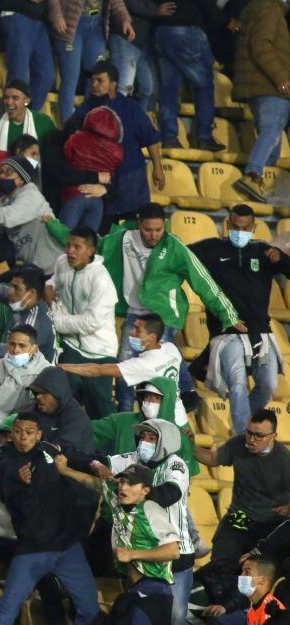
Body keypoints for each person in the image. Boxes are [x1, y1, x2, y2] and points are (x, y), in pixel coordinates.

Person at [100, 203, 241, 414]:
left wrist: (228, 315)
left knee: (157, 355)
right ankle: (127, 410)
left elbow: (202, 280)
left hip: (165, 313)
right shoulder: (123, 239)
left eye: (158, 229)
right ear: (139, 224)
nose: (154, 235)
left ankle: (179, 397)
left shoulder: (173, 246)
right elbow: (90, 245)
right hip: (135, 312)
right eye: (148, 230)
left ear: (164, 225)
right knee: (125, 360)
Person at [0, 413, 100, 625]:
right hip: (33, 550)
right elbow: (8, 488)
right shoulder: (6, 462)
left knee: (90, 608)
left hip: (67, 547)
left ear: (38, 435)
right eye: (18, 432)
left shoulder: (48, 449)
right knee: (6, 612)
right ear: (11, 434)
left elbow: (75, 456)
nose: (23, 437)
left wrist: (95, 463)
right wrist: (22, 483)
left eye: (29, 433)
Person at [189, 205, 290, 434]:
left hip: (260, 332)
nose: (240, 231)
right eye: (235, 227)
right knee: (237, 384)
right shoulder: (211, 248)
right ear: (227, 224)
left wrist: (282, 259)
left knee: (269, 386)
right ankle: (242, 435)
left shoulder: (264, 251)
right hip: (227, 332)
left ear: (253, 227)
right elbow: (180, 256)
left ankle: (243, 426)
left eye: (246, 228)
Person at [0, 415, 67, 625]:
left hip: (23, 535)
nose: (13, 441)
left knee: (47, 579)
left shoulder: (41, 459)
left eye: (22, 435)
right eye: (8, 436)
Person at [55, 459, 179, 625]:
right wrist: (65, 471)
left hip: (154, 591)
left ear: (145, 490)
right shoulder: (117, 499)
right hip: (134, 588)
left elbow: (173, 551)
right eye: (122, 481)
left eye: (131, 484)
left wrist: (132, 554)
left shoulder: (151, 510)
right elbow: (94, 483)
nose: (123, 487)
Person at [102, 419, 195, 625]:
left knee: (175, 618)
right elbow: (103, 463)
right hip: (143, 554)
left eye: (152, 438)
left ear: (165, 442)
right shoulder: (135, 460)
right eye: (143, 437)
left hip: (176, 554)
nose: (145, 442)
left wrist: (138, 489)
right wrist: (93, 464)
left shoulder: (176, 464)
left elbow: (169, 494)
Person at [193, 409, 290, 568]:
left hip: (271, 526)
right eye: (249, 433)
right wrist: (191, 446)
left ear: (274, 436)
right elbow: (212, 458)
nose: (252, 439)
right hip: (239, 520)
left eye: (259, 435)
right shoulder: (238, 444)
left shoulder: (284, 459)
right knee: (220, 567)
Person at [73, 60, 164, 218]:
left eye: (100, 80)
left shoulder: (131, 108)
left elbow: (150, 137)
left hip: (131, 182)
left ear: (113, 84)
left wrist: (158, 167)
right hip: (100, 184)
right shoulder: (84, 110)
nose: (94, 84)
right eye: (93, 80)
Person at [61, 313, 189, 424]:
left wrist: (65, 367)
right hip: (181, 418)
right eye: (133, 327)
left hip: (165, 424)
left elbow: (98, 370)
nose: (132, 333)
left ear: (152, 337)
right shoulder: (171, 348)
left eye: (138, 330)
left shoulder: (143, 365)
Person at [47, 226, 120, 418]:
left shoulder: (100, 278)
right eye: (68, 245)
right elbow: (53, 282)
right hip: (71, 346)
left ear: (90, 250)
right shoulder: (62, 262)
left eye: (77, 247)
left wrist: (55, 322)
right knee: (61, 400)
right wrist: (48, 289)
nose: (70, 251)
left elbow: (91, 322)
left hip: (98, 353)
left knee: (101, 411)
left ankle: (111, 448)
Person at [230, 0, 290, 202]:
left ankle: (260, 184)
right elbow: (261, 45)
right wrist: (281, 77)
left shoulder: (256, 9)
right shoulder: (271, 9)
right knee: (271, 132)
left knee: (273, 145)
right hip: (268, 85)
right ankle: (252, 175)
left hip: (257, 85)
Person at [0, 155, 63, 274]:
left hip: (55, 267)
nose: (1, 175)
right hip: (34, 269)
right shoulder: (7, 201)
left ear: (21, 179)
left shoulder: (31, 194)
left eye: (8, 172)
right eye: (0, 172)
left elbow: (9, 216)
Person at [152, 0, 226, 153]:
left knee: (169, 88)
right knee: (204, 84)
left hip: (161, 31)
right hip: (186, 29)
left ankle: (169, 137)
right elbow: (208, 7)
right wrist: (227, 21)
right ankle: (204, 136)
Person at [47, 0, 133, 123]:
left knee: (96, 78)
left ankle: (91, 126)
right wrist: (57, 16)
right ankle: (68, 128)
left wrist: (125, 19)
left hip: (97, 25)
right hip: (71, 24)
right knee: (71, 78)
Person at [0, 0, 55, 111]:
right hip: (17, 12)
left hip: (38, 17)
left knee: (46, 76)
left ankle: (27, 117)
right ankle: (12, 122)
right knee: (20, 76)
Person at [28, 367, 95, 455]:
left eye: (44, 393)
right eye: (36, 392)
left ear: (58, 393)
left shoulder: (76, 419)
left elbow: (57, 452)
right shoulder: (35, 410)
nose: (38, 397)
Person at [202, 556, 288, 624]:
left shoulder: (270, 612)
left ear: (262, 580)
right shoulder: (254, 605)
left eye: (247, 572)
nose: (241, 576)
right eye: (242, 571)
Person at [0, 80, 57, 150]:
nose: (9, 102)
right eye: (6, 97)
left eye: (15, 98)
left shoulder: (44, 122)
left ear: (27, 101)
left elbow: (54, 151)